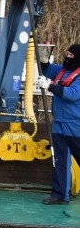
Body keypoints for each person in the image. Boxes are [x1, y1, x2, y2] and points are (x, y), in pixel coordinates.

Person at [36, 43, 80, 205]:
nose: (67, 57)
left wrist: (49, 86)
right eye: (66, 54)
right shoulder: (62, 70)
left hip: (75, 124)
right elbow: (47, 70)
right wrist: (43, 59)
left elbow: (72, 94)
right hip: (59, 122)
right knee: (59, 159)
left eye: (70, 55)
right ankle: (60, 194)